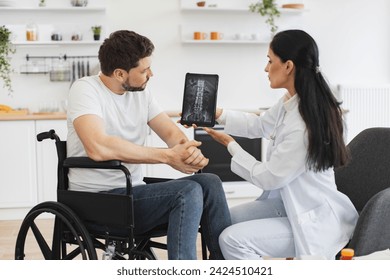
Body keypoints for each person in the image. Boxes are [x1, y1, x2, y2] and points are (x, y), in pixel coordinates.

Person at [66, 30, 231, 260]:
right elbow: (98, 146)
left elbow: (171, 132)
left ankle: (224, 265)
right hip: (98, 200)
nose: (151, 74)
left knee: (209, 182)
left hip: (132, 193)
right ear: (120, 73)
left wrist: (188, 151)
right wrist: (167, 157)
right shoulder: (85, 89)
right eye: (144, 70)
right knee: (188, 191)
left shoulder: (141, 93)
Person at [203, 29, 358, 260]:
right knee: (224, 221)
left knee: (232, 239)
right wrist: (217, 115)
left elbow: (269, 177)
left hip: (314, 219)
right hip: (290, 204)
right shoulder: (293, 100)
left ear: (288, 66)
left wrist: (231, 146)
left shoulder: (303, 125)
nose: (266, 68)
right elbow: (259, 125)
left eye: (269, 60)